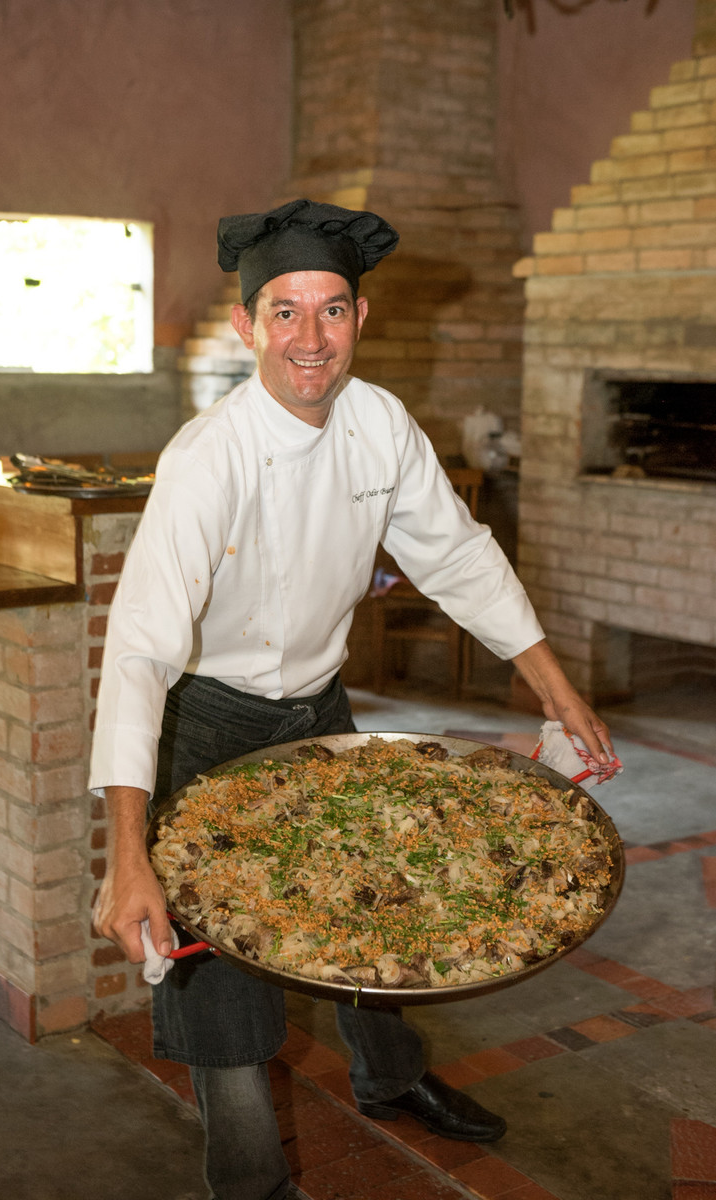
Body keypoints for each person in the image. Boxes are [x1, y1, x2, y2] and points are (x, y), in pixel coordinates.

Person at [90, 198, 614, 1200]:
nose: (310, 338)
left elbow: (458, 558)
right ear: (247, 325)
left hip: (318, 710)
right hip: (209, 721)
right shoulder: (207, 459)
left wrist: (557, 690)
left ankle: (391, 1077)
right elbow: (139, 652)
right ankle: (250, 1177)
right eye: (284, 312)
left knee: (380, 903)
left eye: (330, 309)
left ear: (360, 318)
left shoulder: (380, 424)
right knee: (223, 964)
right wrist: (127, 854)